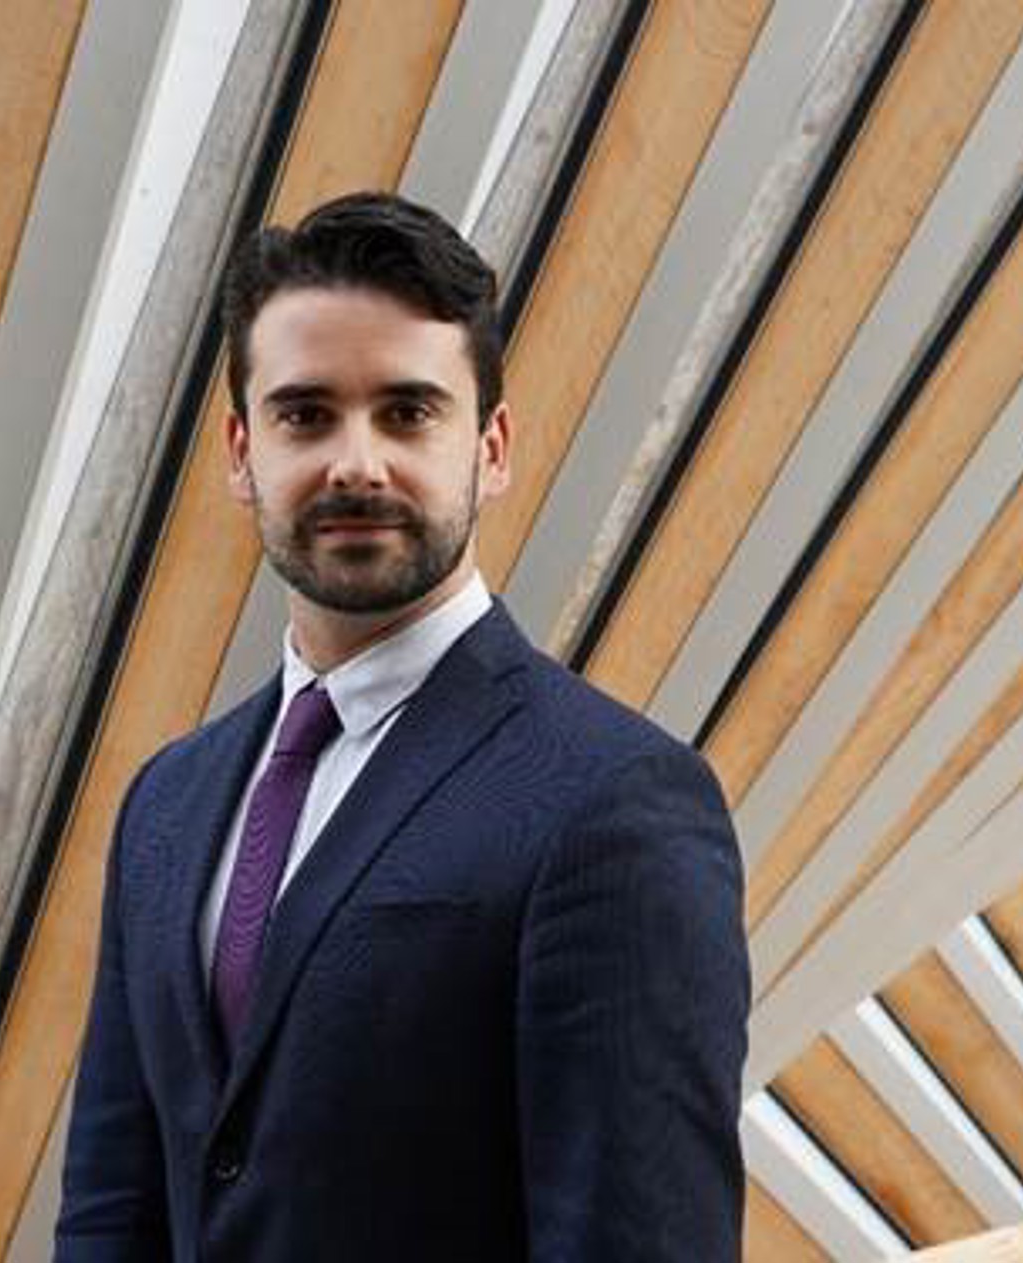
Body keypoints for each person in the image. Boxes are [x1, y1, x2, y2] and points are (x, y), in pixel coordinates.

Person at [56, 191, 749, 1261]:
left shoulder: (612, 803)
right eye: (305, 414)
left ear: (493, 448)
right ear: (243, 454)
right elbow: (112, 1210)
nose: (357, 464)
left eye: (409, 412)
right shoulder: (169, 801)